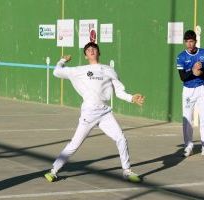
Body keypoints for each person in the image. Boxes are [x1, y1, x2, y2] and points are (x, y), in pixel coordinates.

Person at [44, 42, 145, 183]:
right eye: (88, 50)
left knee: (121, 138)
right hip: (89, 113)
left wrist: (131, 98)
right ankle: (53, 171)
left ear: (99, 52)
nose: (91, 50)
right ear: (85, 56)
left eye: (94, 49)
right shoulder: (79, 70)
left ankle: (127, 171)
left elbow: (119, 92)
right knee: (74, 144)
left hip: (105, 113)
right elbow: (56, 72)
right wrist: (62, 60)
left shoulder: (109, 70)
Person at [176, 30, 204, 157]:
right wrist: (192, 71)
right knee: (187, 119)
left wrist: (200, 71)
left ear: (195, 41)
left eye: (191, 41)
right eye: (187, 42)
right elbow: (183, 77)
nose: (189, 44)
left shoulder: (203, 53)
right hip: (188, 91)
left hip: (202, 88)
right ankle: (188, 146)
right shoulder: (181, 57)